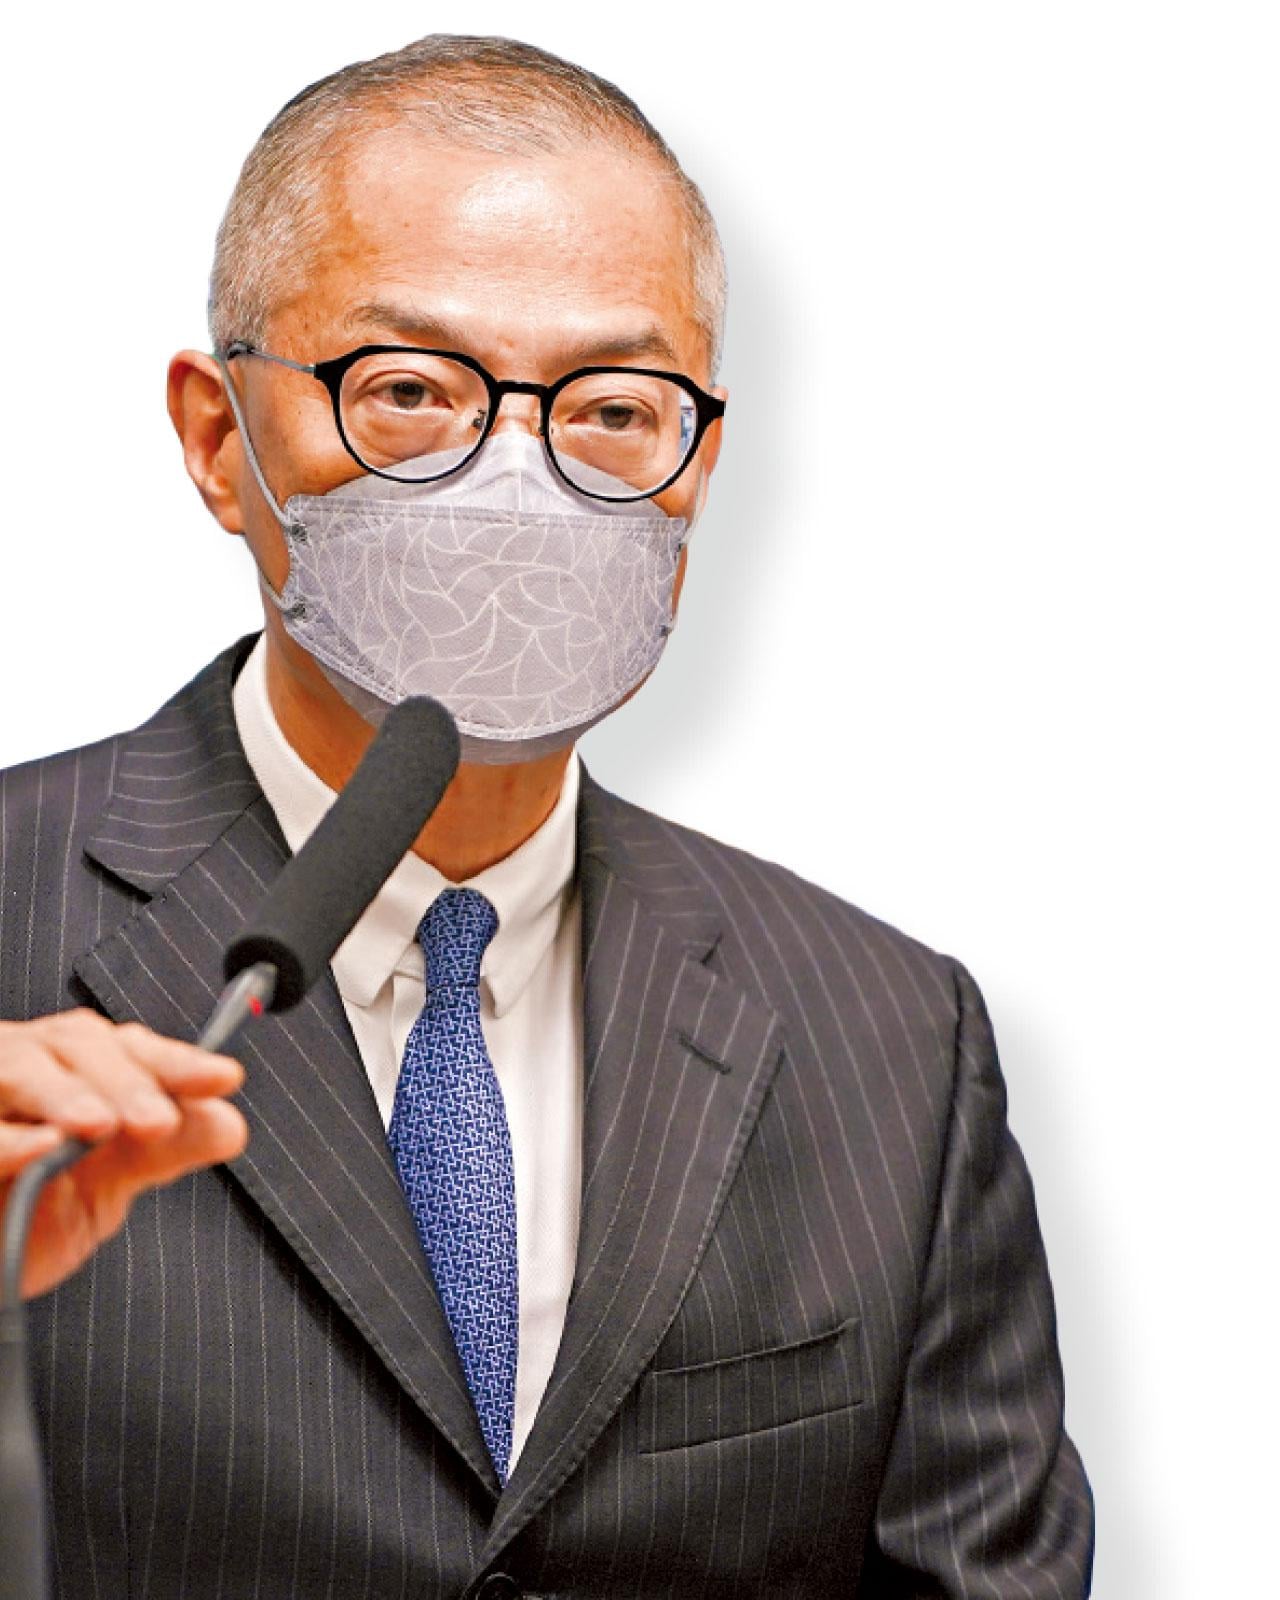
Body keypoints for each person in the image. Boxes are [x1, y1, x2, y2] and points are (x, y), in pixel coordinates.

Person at [0, 33, 1093, 1599]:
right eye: (409, 391)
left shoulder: (892, 1040)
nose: (515, 484)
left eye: (613, 409)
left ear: (698, 463)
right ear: (218, 438)